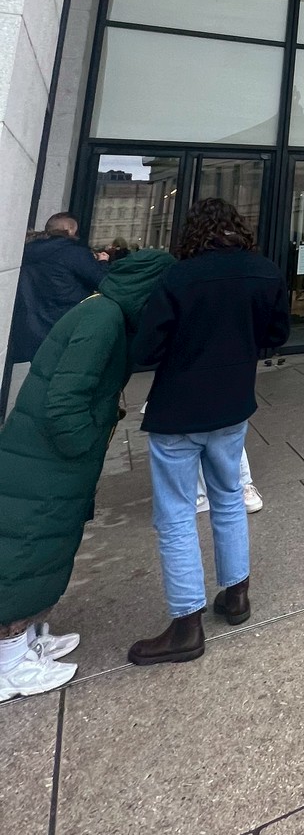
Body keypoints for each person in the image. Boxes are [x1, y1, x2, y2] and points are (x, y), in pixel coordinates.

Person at [0, 247, 174, 700]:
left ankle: (24, 640)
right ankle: (8, 663)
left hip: (41, 458)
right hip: (48, 461)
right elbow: (64, 401)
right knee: (28, 549)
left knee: (39, 548)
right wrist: (84, 446)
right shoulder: (104, 320)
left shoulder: (102, 309)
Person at [128, 200, 290, 666]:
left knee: (176, 515)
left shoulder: (179, 276)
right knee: (228, 496)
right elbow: (276, 334)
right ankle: (236, 594)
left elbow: (146, 348)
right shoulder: (265, 271)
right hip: (233, 406)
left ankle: (186, 625)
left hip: (178, 410)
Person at [6, 213, 107, 407]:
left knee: (41, 379)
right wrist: (102, 262)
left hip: (32, 327)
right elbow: (102, 281)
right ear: (70, 230)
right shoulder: (73, 253)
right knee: (64, 386)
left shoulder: (27, 251)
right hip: (65, 325)